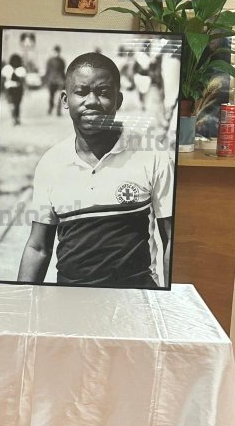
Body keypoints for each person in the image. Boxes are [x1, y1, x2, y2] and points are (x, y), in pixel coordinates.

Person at [17, 52, 174, 289]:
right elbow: (38, 247)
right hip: (71, 299)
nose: (91, 101)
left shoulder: (152, 155)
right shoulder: (51, 164)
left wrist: (168, 301)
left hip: (135, 297)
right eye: (81, 92)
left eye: (103, 92)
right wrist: (20, 302)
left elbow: (171, 239)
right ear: (65, 99)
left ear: (118, 100)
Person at [1, 54, 26, 125]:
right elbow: (23, 81)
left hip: (9, 88)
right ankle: (17, 118)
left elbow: (3, 80)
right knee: (17, 104)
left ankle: (14, 118)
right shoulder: (21, 69)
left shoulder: (6, 68)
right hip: (18, 88)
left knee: (11, 104)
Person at [43, 45, 66, 116]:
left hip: (60, 80)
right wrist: (45, 81)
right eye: (55, 52)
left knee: (60, 96)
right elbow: (47, 71)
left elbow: (63, 71)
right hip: (51, 80)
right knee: (51, 96)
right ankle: (51, 107)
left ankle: (58, 111)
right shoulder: (50, 61)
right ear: (53, 52)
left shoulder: (62, 61)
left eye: (58, 52)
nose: (57, 53)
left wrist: (65, 80)